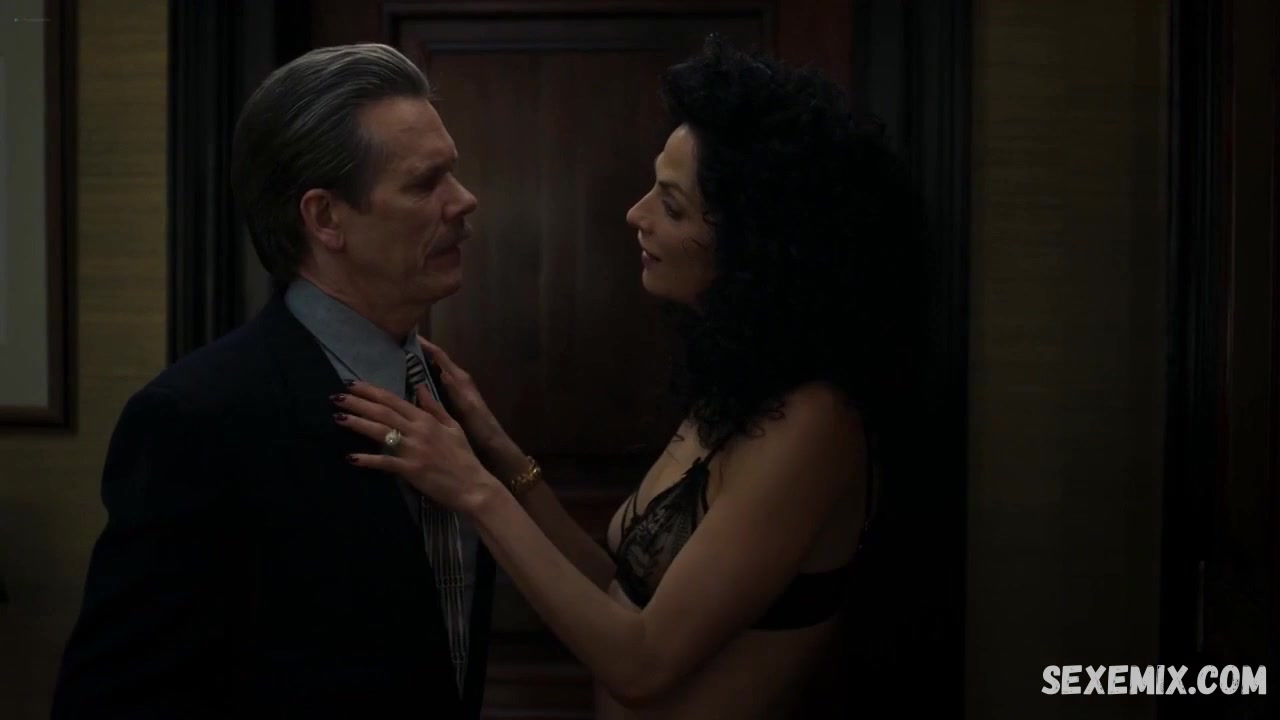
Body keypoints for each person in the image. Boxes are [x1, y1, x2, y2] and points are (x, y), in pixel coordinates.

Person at [332, 35, 923, 719]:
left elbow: (640, 662)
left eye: (671, 205)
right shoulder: (740, 389)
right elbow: (620, 597)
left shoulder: (814, 420)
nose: (635, 214)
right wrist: (498, 452)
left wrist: (471, 488)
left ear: (757, 244)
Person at [51, 44, 491, 718]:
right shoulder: (198, 418)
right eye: (424, 183)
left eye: (451, 172)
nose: (463, 200)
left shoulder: (447, 393)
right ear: (325, 218)